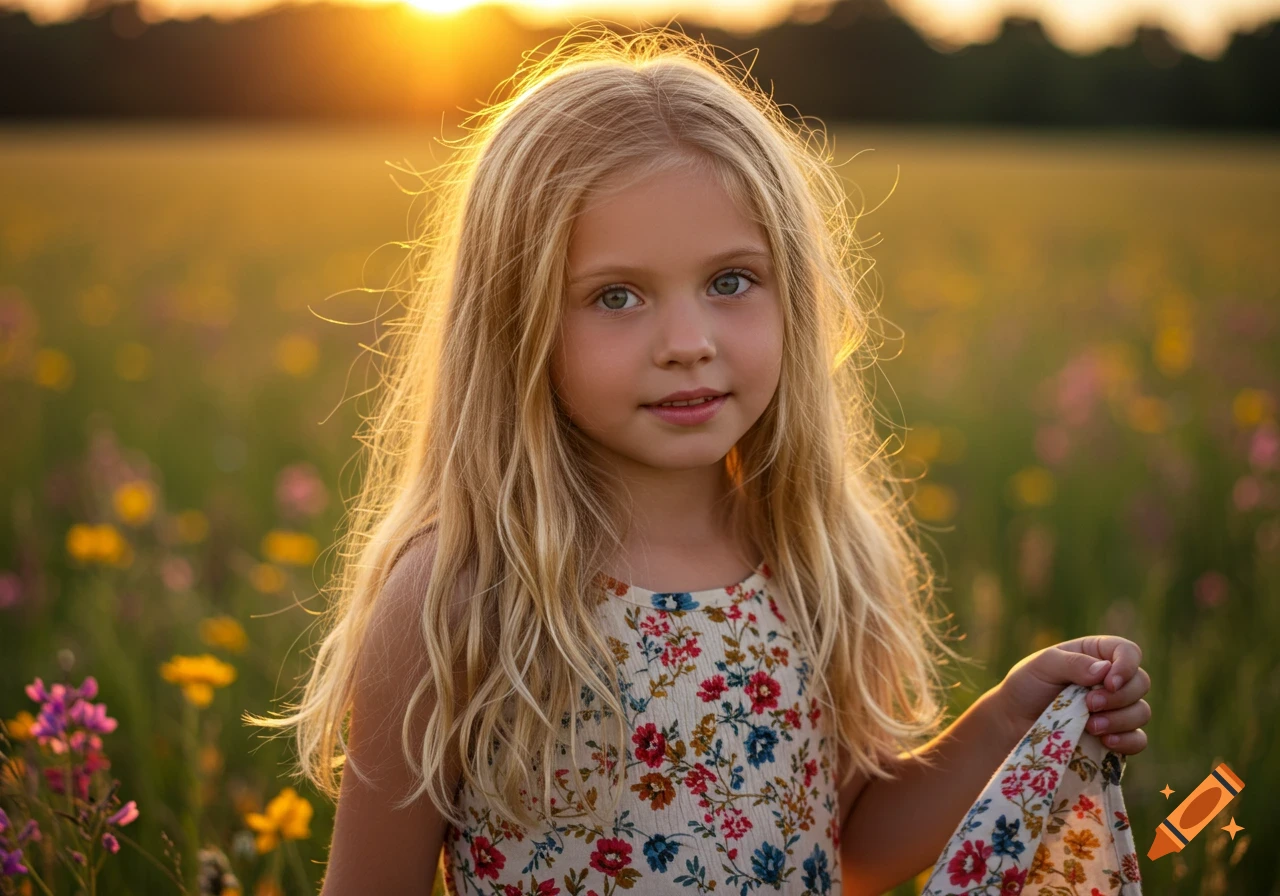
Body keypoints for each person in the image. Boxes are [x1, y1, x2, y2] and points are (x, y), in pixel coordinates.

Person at [243, 24, 1152, 896]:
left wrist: (1008, 717)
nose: (687, 342)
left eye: (730, 281)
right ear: (512, 324)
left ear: (791, 291)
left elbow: (845, 850)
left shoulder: (813, 559)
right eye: (616, 295)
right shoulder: (465, 590)